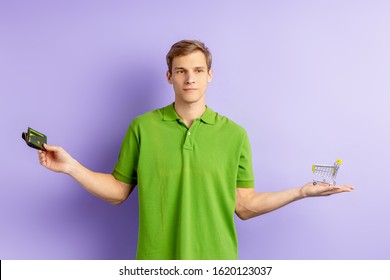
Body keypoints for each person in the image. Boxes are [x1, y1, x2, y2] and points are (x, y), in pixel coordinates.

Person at [38, 39, 354, 260]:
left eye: (198, 70)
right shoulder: (143, 128)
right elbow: (118, 191)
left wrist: (301, 192)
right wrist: (70, 167)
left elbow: (244, 206)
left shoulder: (235, 134)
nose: (190, 79)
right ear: (170, 77)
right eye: (181, 71)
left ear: (209, 75)